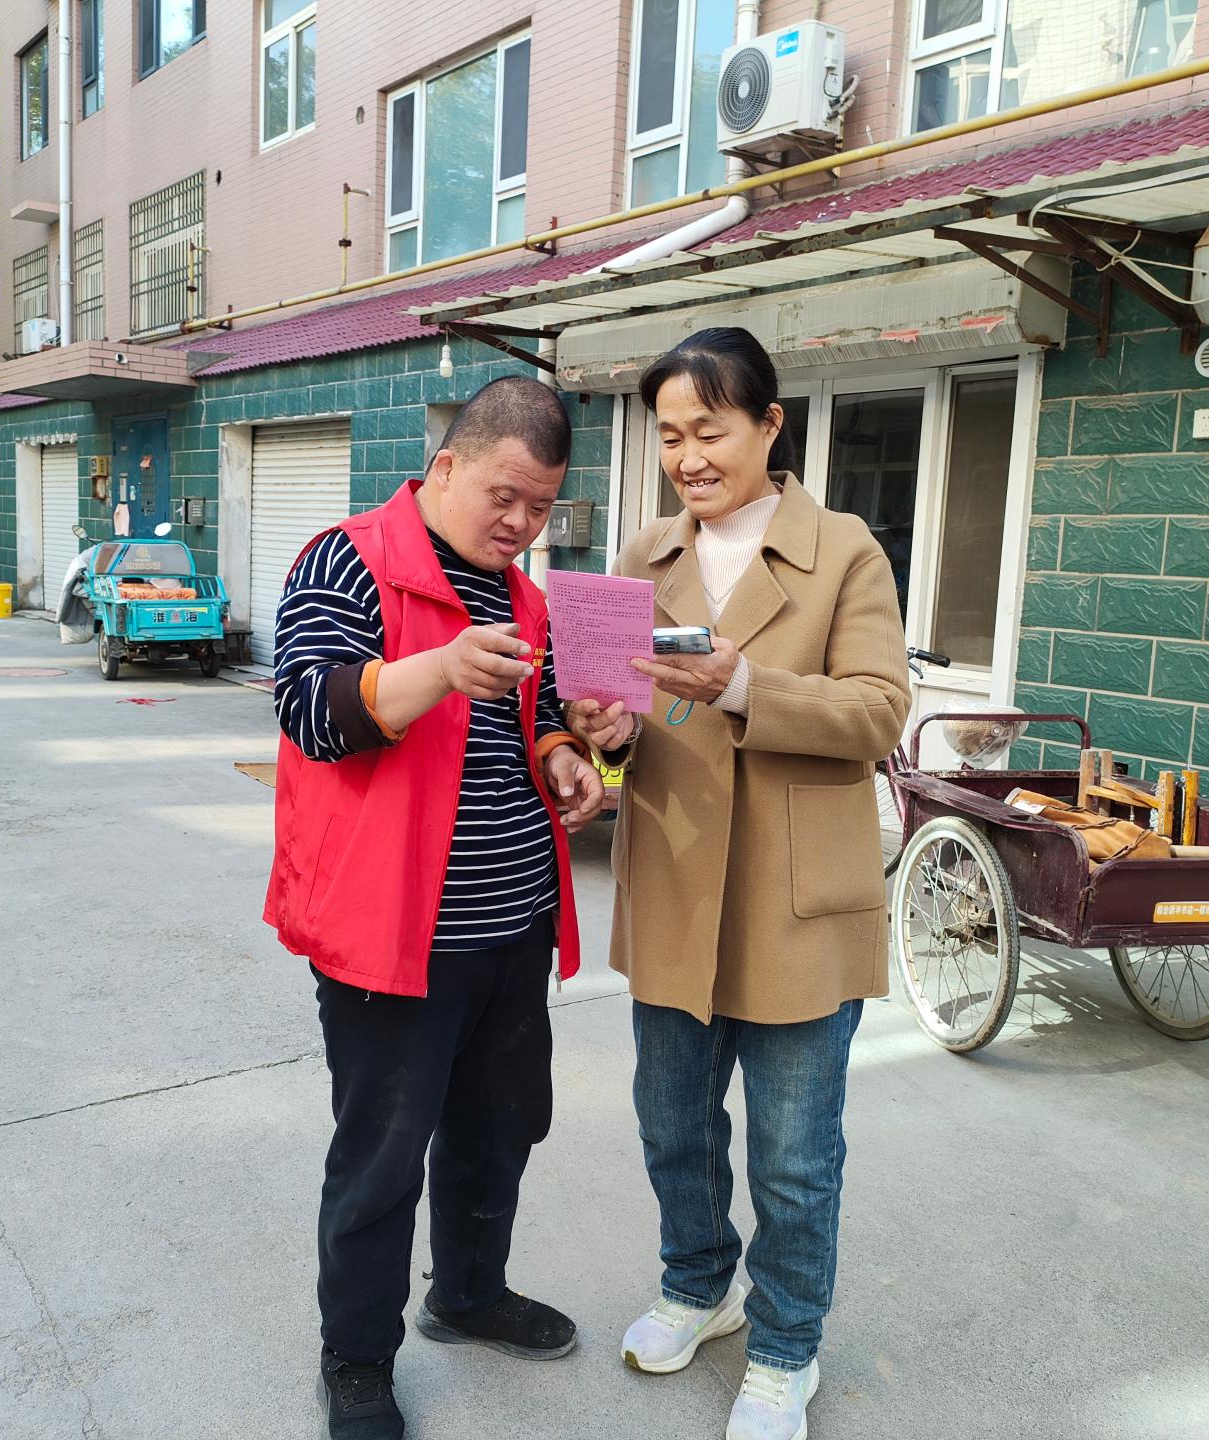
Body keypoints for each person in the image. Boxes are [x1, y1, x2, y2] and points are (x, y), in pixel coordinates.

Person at [570, 328, 910, 1440]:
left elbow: (878, 712)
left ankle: (785, 1346)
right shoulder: (642, 556)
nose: (688, 457)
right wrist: (606, 733)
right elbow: (620, 720)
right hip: (675, 879)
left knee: (795, 1158)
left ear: (769, 425)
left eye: (709, 430)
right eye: (670, 436)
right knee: (673, 1127)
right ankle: (697, 1284)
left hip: (793, 897)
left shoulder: (844, 551)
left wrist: (743, 685)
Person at [267, 376, 607, 1440]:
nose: (520, 523)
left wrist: (566, 756)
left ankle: (468, 1291)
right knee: (380, 1159)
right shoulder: (347, 560)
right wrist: (439, 669)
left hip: (511, 927)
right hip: (391, 936)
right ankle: (357, 1358)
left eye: (541, 506)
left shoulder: (527, 597)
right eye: (505, 495)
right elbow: (310, 710)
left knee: (498, 1131)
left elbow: (537, 718)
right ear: (446, 466)